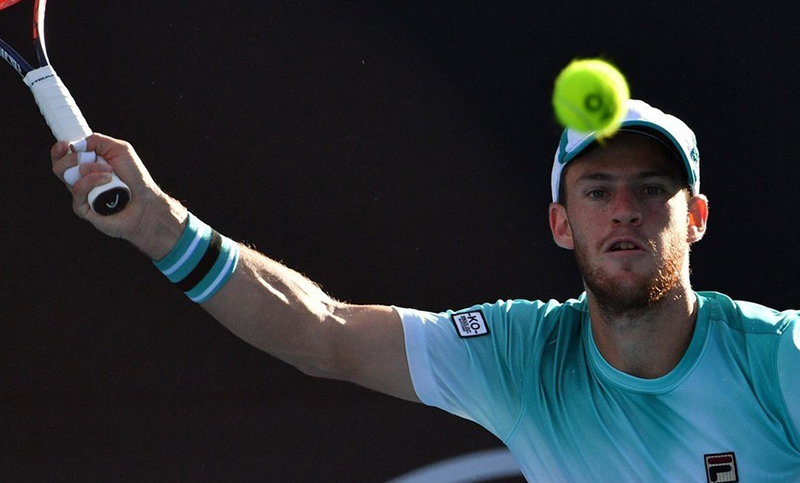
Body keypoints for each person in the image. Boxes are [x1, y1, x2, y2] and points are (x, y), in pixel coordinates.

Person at [50, 99, 800, 482]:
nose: (626, 209)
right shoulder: (523, 354)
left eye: (653, 189)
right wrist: (159, 226)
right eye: (598, 191)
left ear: (696, 217)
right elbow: (327, 334)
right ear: (562, 224)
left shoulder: (779, 359)